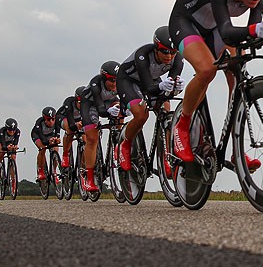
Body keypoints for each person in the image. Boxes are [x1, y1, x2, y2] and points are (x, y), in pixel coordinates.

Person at [168, 0, 263, 170]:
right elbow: (227, 31)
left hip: (215, 30)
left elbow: (251, 34)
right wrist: (256, 30)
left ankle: (236, 151)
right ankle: (182, 126)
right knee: (207, 70)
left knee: (237, 75)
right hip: (186, 23)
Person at [116, 26, 185, 177]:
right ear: (156, 49)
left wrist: (176, 87)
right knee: (141, 114)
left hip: (152, 80)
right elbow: (148, 87)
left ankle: (167, 156)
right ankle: (124, 145)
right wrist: (161, 86)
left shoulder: (178, 59)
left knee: (167, 109)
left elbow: (169, 87)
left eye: (172, 52)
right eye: (164, 51)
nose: (169, 56)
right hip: (129, 80)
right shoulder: (143, 54)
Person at [80, 61, 122, 192]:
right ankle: (90, 178)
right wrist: (106, 112)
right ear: (104, 78)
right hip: (91, 104)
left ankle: (116, 144)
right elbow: (100, 107)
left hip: (109, 102)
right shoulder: (96, 83)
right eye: (111, 80)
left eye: (117, 80)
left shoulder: (120, 83)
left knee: (119, 109)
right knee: (92, 139)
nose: (115, 84)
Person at [57, 86, 85, 168]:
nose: (82, 105)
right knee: (70, 130)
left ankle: (83, 167)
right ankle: (65, 154)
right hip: (64, 117)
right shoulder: (69, 102)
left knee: (85, 137)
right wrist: (75, 125)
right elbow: (71, 123)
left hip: (78, 120)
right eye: (80, 103)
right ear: (76, 100)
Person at [31, 107, 61, 182]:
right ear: (44, 118)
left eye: (52, 119)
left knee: (55, 149)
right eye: (48, 119)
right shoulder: (39, 122)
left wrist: (56, 139)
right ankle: (40, 170)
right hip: (38, 135)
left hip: (49, 135)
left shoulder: (57, 121)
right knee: (42, 149)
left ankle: (54, 171)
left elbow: (57, 133)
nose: (51, 122)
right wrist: (48, 142)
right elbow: (43, 140)